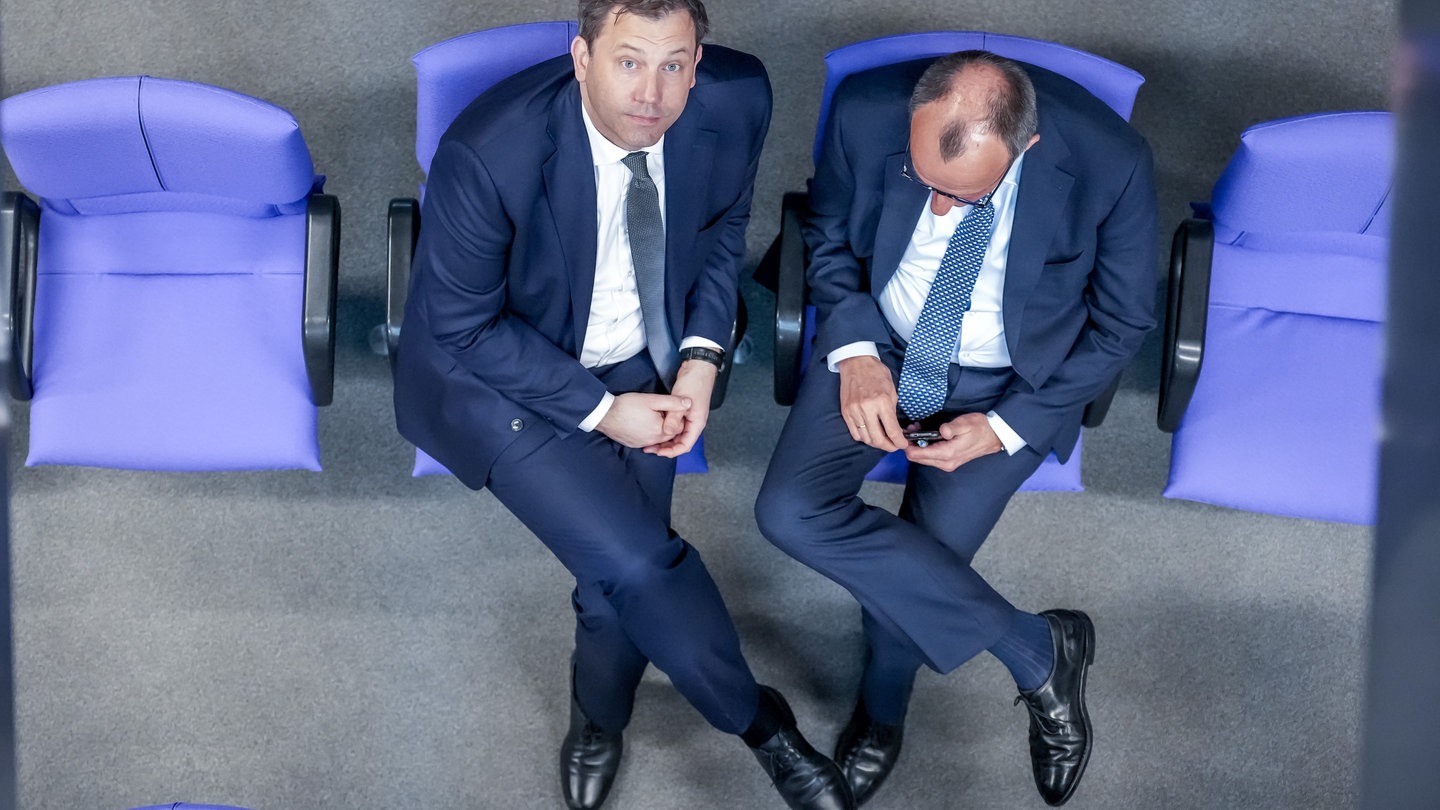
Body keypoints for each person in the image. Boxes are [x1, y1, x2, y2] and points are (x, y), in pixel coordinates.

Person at [393, 2, 852, 809]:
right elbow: (464, 328)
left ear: (699, 60)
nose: (652, 93)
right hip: (506, 379)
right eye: (629, 61)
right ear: (582, 58)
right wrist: (604, 411)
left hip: (648, 356)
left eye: (674, 64)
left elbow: (722, 232)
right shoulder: (487, 153)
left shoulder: (737, 96)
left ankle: (597, 717)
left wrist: (701, 359)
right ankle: (764, 728)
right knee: (641, 562)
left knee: (612, 581)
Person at [755, 50, 1157, 807]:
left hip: (1010, 383)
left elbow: (1122, 323)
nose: (938, 211)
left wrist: (1007, 427)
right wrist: (856, 352)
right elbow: (828, 234)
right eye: (925, 183)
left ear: (1026, 146)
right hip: (884, 345)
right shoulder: (864, 111)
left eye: (963, 196)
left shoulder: (1113, 161)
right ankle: (1038, 649)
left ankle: (881, 716)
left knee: (920, 572)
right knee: (786, 512)